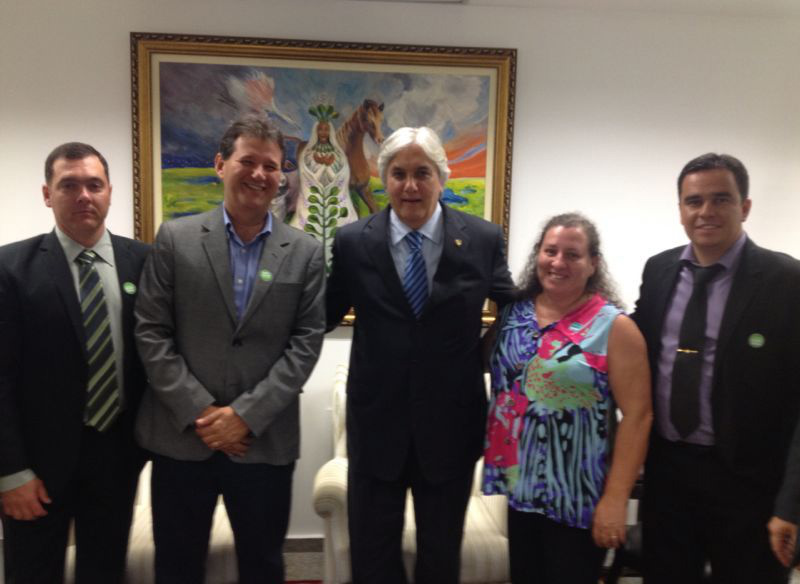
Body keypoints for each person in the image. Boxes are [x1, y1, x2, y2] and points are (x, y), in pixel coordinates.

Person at [134, 116, 325, 584]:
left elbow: (305, 345)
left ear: (282, 174)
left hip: (263, 443)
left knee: (263, 566)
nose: (259, 174)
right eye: (248, 161)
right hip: (183, 440)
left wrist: (244, 416)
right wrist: (203, 413)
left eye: (271, 165)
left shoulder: (305, 251)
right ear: (221, 165)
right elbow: (151, 331)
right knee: (177, 568)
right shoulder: (175, 239)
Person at [326, 126, 515, 583]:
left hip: (451, 427)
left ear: (442, 178)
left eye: (422, 173)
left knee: (440, 558)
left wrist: (489, 355)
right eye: (398, 173)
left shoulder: (484, 239)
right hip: (376, 428)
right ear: (383, 177)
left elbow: (513, 304)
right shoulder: (353, 242)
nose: (410, 186)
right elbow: (324, 313)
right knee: (372, 560)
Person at [632, 153, 800, 583]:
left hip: (750, 487)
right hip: (668, 478)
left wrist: (791, 504)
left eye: (721, 199)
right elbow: (630, 346)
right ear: (681, 210)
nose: (706, 212)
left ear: (744, 206)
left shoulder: (786, 281)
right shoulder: (660, 270)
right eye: (694, 201)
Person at [0, 142, 150, 583]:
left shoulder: (142, 262)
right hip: (36, 468)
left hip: (116, 457)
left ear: (109, 192)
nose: (83, 195)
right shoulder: (11, 268)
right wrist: (10, 473)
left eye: (94, 184)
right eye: (69, 185)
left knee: (104, 572)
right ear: (47, 194)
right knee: (33, 573)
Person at [482, 212, 652, 583]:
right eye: (550, 251)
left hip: (579, 497)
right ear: (537, 255)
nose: (558, 262)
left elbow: (639, 416)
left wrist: (616, 498)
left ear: (594, 264)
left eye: (573, 255)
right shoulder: (513, 316)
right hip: (520, 492)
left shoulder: (614, 327)